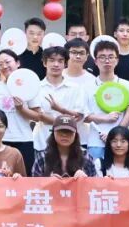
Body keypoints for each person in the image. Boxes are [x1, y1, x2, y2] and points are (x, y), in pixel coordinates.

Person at [32, 115, 97, 227]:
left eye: (69, 132)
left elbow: (96, 188)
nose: (64, 136)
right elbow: (33, 187)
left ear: (75, 135)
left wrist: (85, 180)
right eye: (61, 132)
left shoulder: (86, 157)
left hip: (77, 212)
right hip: (51, 212)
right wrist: (47, 181)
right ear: (53, 133)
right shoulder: (42, 157)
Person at [23, 46, 87, 175]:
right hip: (42, 142)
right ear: (44, 63)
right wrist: (65, 118)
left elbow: (78, 116)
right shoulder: (36, 87)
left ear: (65, 64)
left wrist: (59, 109)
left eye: (60, 61)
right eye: (52, 60)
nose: (56, 64)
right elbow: (38, 115)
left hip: (70, 144)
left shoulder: (75, 88)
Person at [84, 39, 129, 163]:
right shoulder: (87, 86)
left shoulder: (127, 85)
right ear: (95, 61)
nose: (107, 61)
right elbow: (85, 116)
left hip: (122, 142)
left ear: (117, 60)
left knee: (124, 173)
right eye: (102, 57)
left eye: (111, 57)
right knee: (95, 173)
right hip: (96, 141)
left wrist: (114, 135)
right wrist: (105, 118)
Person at [0, 49, 38, 176]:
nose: (4, 66)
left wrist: (22, 109)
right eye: (0, 64)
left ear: (17, 63)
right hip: (0, 140)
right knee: (0, 178)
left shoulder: (29, 85)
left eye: (7, 62)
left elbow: (38, 116)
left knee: (25, 178)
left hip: (24, 139)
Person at [63, 38, 98, 155]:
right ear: (66, 54)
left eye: (81, 53)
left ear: (87, 56)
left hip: (84, 137)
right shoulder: (57, 76)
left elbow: (94, 109)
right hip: (59, 134)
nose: (78, 56)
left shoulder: (93, 80)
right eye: (73, 52)